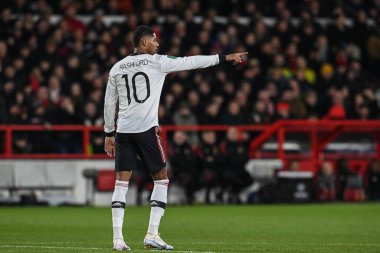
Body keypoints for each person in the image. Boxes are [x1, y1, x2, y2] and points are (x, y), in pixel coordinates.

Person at [103, 25, 247, 251]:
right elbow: (191, 61)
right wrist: (224, 58)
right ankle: (152, 233)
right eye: (154, 39)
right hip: (145, 131)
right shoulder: (157, 61)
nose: (157, 44)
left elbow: (109, 102)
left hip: (123, 132)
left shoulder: (117, 67)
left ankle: (118, 240)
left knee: (121, 183)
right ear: (143, 43)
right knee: (161, 179)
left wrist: (108, 133)